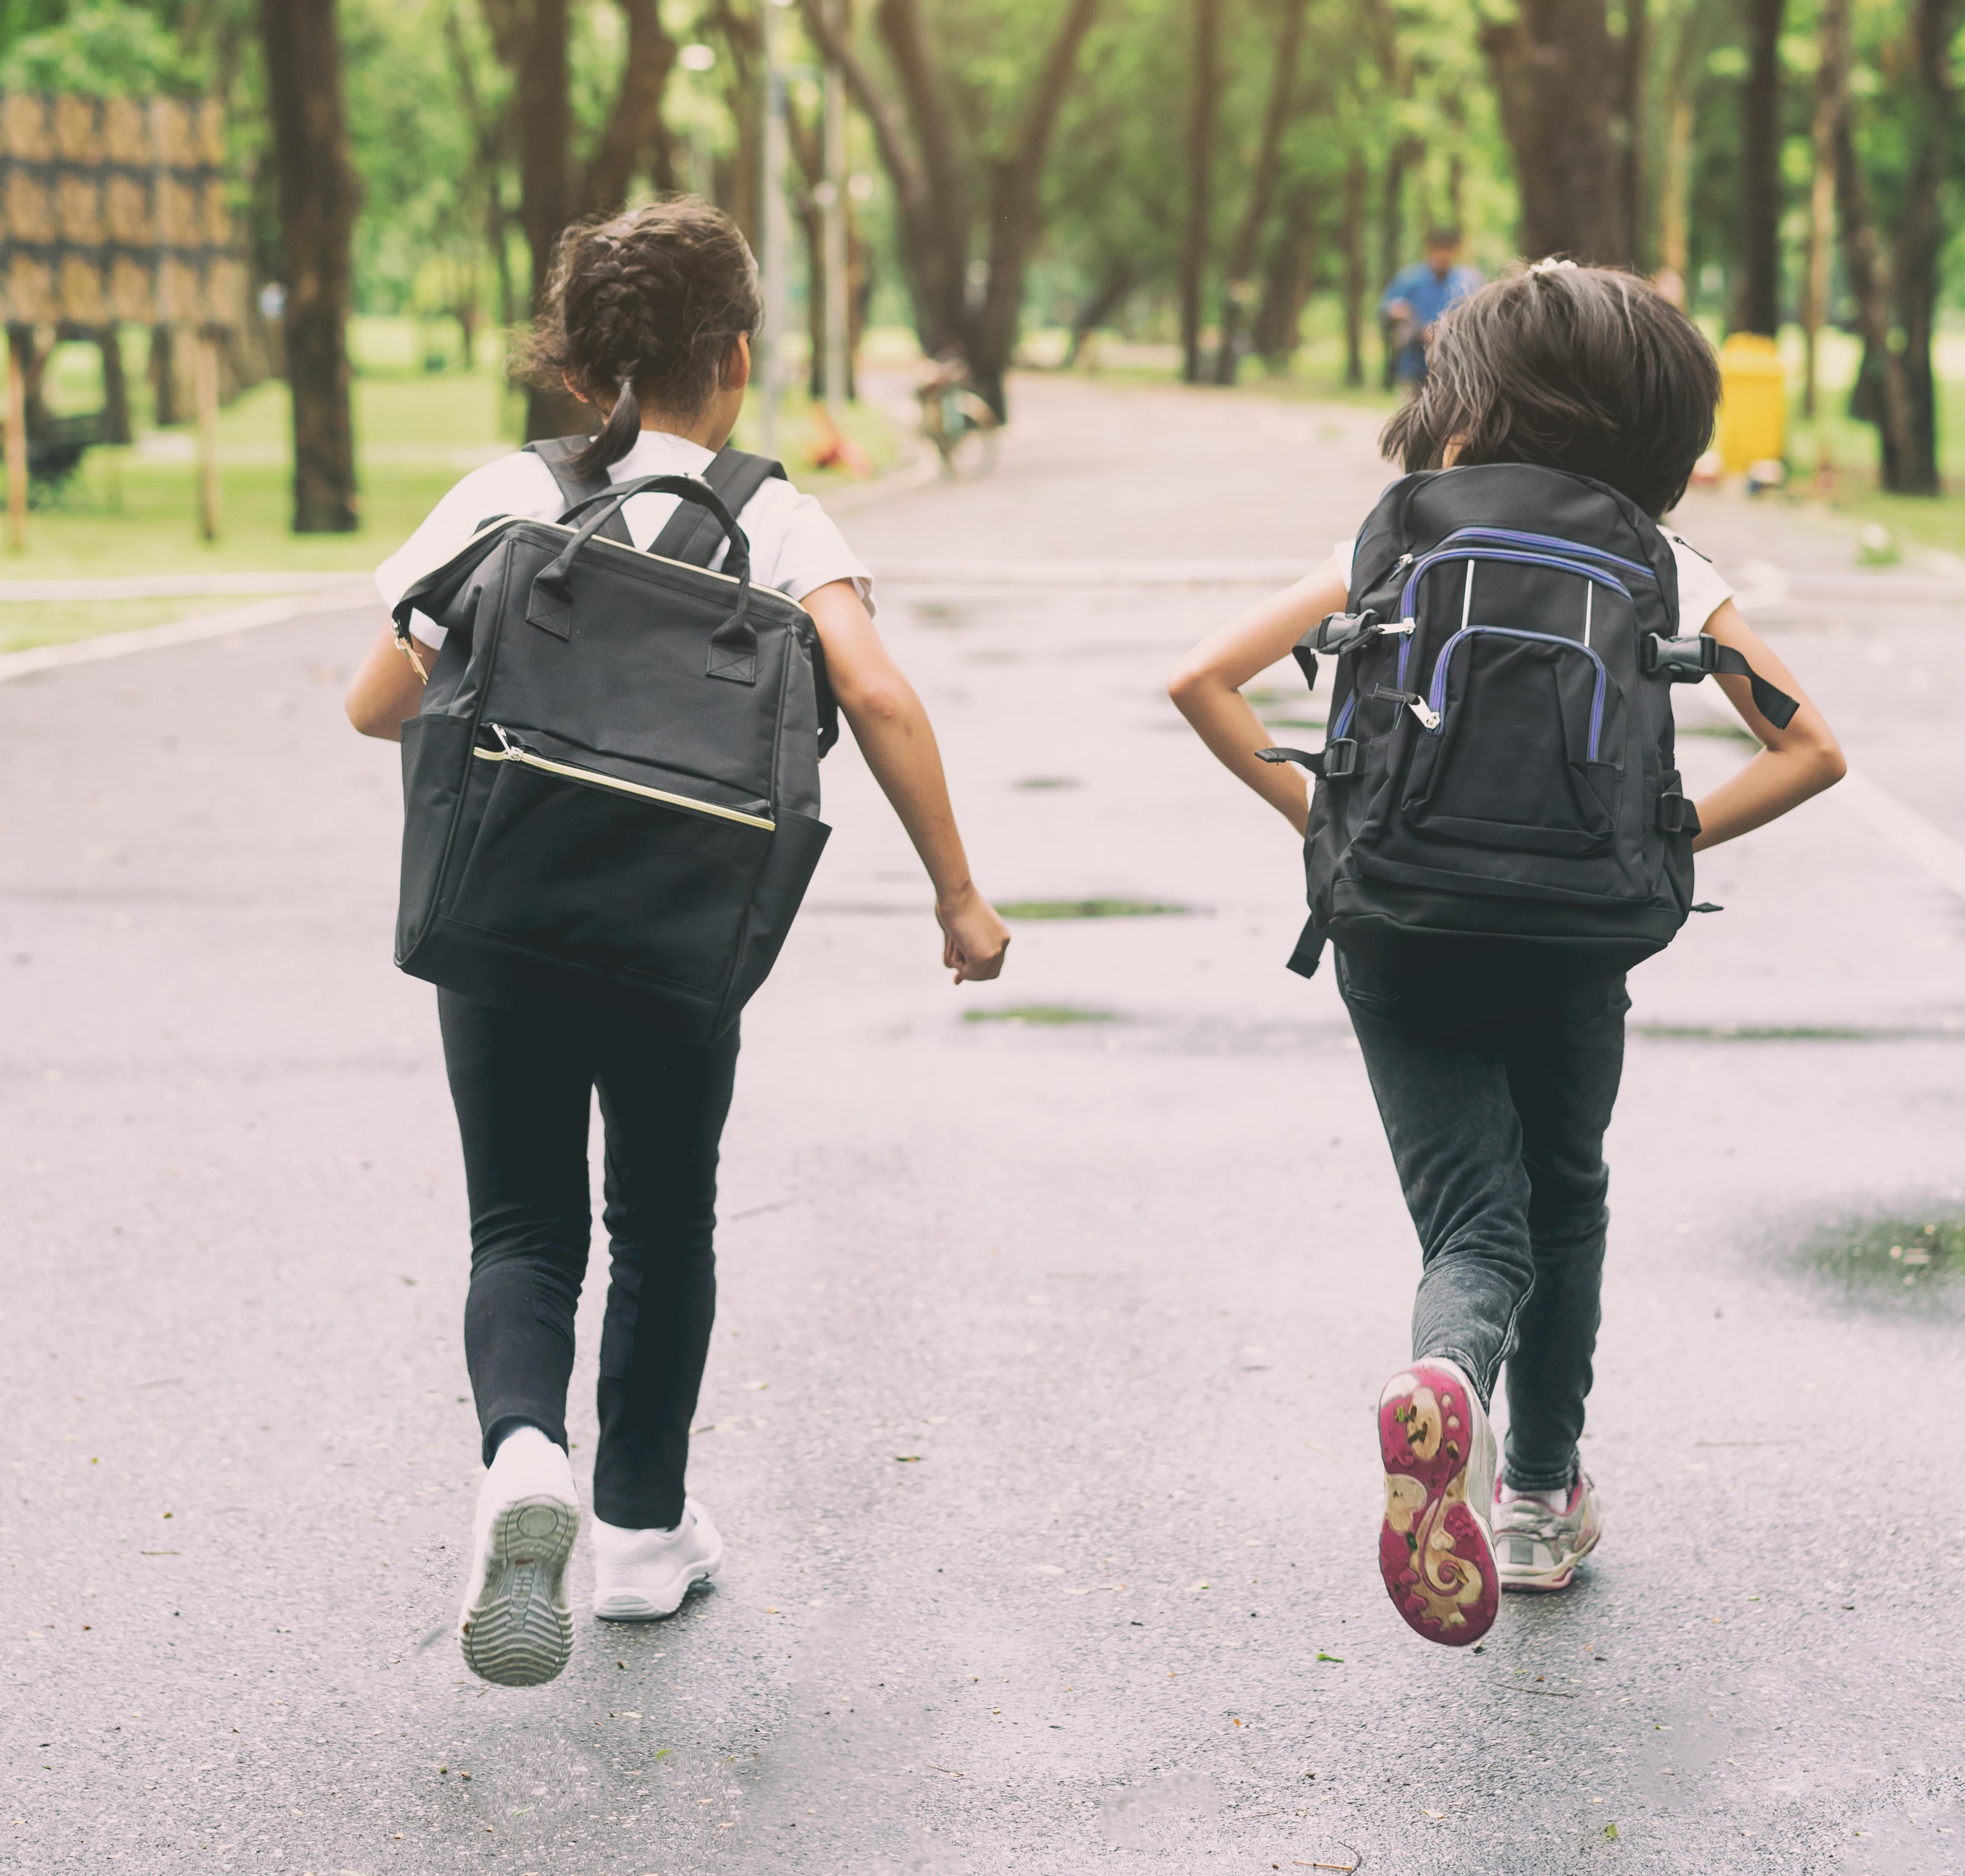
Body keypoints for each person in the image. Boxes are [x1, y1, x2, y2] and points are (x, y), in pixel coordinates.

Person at [342, 197, 1013, 1687]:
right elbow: (880, 695)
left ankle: (524, 1456)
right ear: (735, 355)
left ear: (582, 364)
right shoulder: (775, 514)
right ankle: (641, 1536)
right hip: (675, 933)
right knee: (660, 1220)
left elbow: (372, 703)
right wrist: (956, 892)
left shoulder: (503, 494)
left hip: (500, 919)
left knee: (520, 1226)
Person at [1162, 265, 1846, 1639]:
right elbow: (1809, 747)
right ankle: (1536, 1500)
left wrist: (1328, 817)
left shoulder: (1398, 540)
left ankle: (1448, 1379)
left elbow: (1201, 679)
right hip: (1573, 938)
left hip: (1397, 925)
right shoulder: (1661, 567)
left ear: (1464, 404)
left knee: (1473, 1223)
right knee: (1565, 1197)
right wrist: (1656, 844)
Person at [1380, 228, 1481, 394]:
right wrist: (1402, 315)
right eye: (1438, 250)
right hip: (1414, 362)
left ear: (1455, 251)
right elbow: (1388, 307)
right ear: (1429, 250)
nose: (1443, 256)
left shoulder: (1467, 281)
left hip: (1452, 366)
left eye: (1447, 250)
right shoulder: (1410, 279)